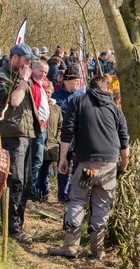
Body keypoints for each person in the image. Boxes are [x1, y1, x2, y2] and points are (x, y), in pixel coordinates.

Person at [48, 75, 129, 259]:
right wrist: (123, 165)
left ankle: (70, 246)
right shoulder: (115, 109)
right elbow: (124, 140)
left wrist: (63, 158)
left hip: (87, 164)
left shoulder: (78, 101)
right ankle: (97, 250)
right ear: (106, 89)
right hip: (109, 164)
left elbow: (67, 131)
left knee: (78, 200)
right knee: (102, 205)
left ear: (89, 88)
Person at [0, 43, 40, 244]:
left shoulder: (18, 78)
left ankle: (19, 222)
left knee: (25, 182)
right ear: (15, 57)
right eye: (26, 61)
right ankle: (12, 227)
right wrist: (24, 80)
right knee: (14, 181)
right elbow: (15, 101)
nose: (28, 65)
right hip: (9, 136)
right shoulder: (1, 79)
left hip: (25, 135)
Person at [52, 65, 84, 203]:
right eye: (74, 82)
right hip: (62, 135)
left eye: (78, 82)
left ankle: (73, 191)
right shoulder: (56, 95)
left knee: (77, 165)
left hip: (78, 135)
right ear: (65, 81)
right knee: (63, 163)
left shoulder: (81, 96)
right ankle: (62, 194)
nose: (76, 84)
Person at [37, 81, 62, 202]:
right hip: (39, 143)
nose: (47, 94)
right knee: (37, 168)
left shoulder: (56, 109)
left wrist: (57, 139)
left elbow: (61, 126)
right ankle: (36, 193)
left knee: (46, 170)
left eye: (49, 92)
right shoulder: (38, 106)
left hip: (51, 144)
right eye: (45, 92)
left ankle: (45, 193)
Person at [29, 61, 50, 201]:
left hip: (42, 125)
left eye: (46, 72)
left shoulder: (41, 83)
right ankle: (32, 192)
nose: (44, 74)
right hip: (36, 126)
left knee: (39, 160)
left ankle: (34, 190)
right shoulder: (31, 84)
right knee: (36, 160)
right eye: (41, 71)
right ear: (34, 68)